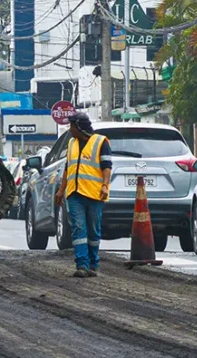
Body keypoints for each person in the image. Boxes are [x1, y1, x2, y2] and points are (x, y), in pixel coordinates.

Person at [54, 113, 112, 278]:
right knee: (78, 228)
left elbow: (107, 166)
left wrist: (105, 186)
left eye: (72, 126)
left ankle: (93, 264)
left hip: (94, 193)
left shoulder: (101, 142)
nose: (70, 130)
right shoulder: (71, 143)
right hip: (74, 193)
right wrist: (61, 190)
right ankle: (82, 265)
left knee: (93, 230)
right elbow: (67, 168)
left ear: (79, 127)